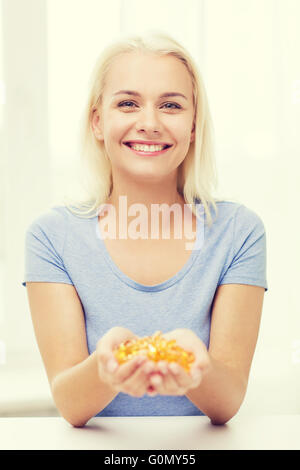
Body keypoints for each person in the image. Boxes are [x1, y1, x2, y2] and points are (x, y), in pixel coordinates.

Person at [22, 31, 268, 427]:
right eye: (128, 103)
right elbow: (70, 403)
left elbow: (228, 401)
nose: (149, 123)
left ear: (193, 126)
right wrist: (104, 368)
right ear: (98, 122)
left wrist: (197, 366)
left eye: (171, 105)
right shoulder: (52, 236)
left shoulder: (238, 232)